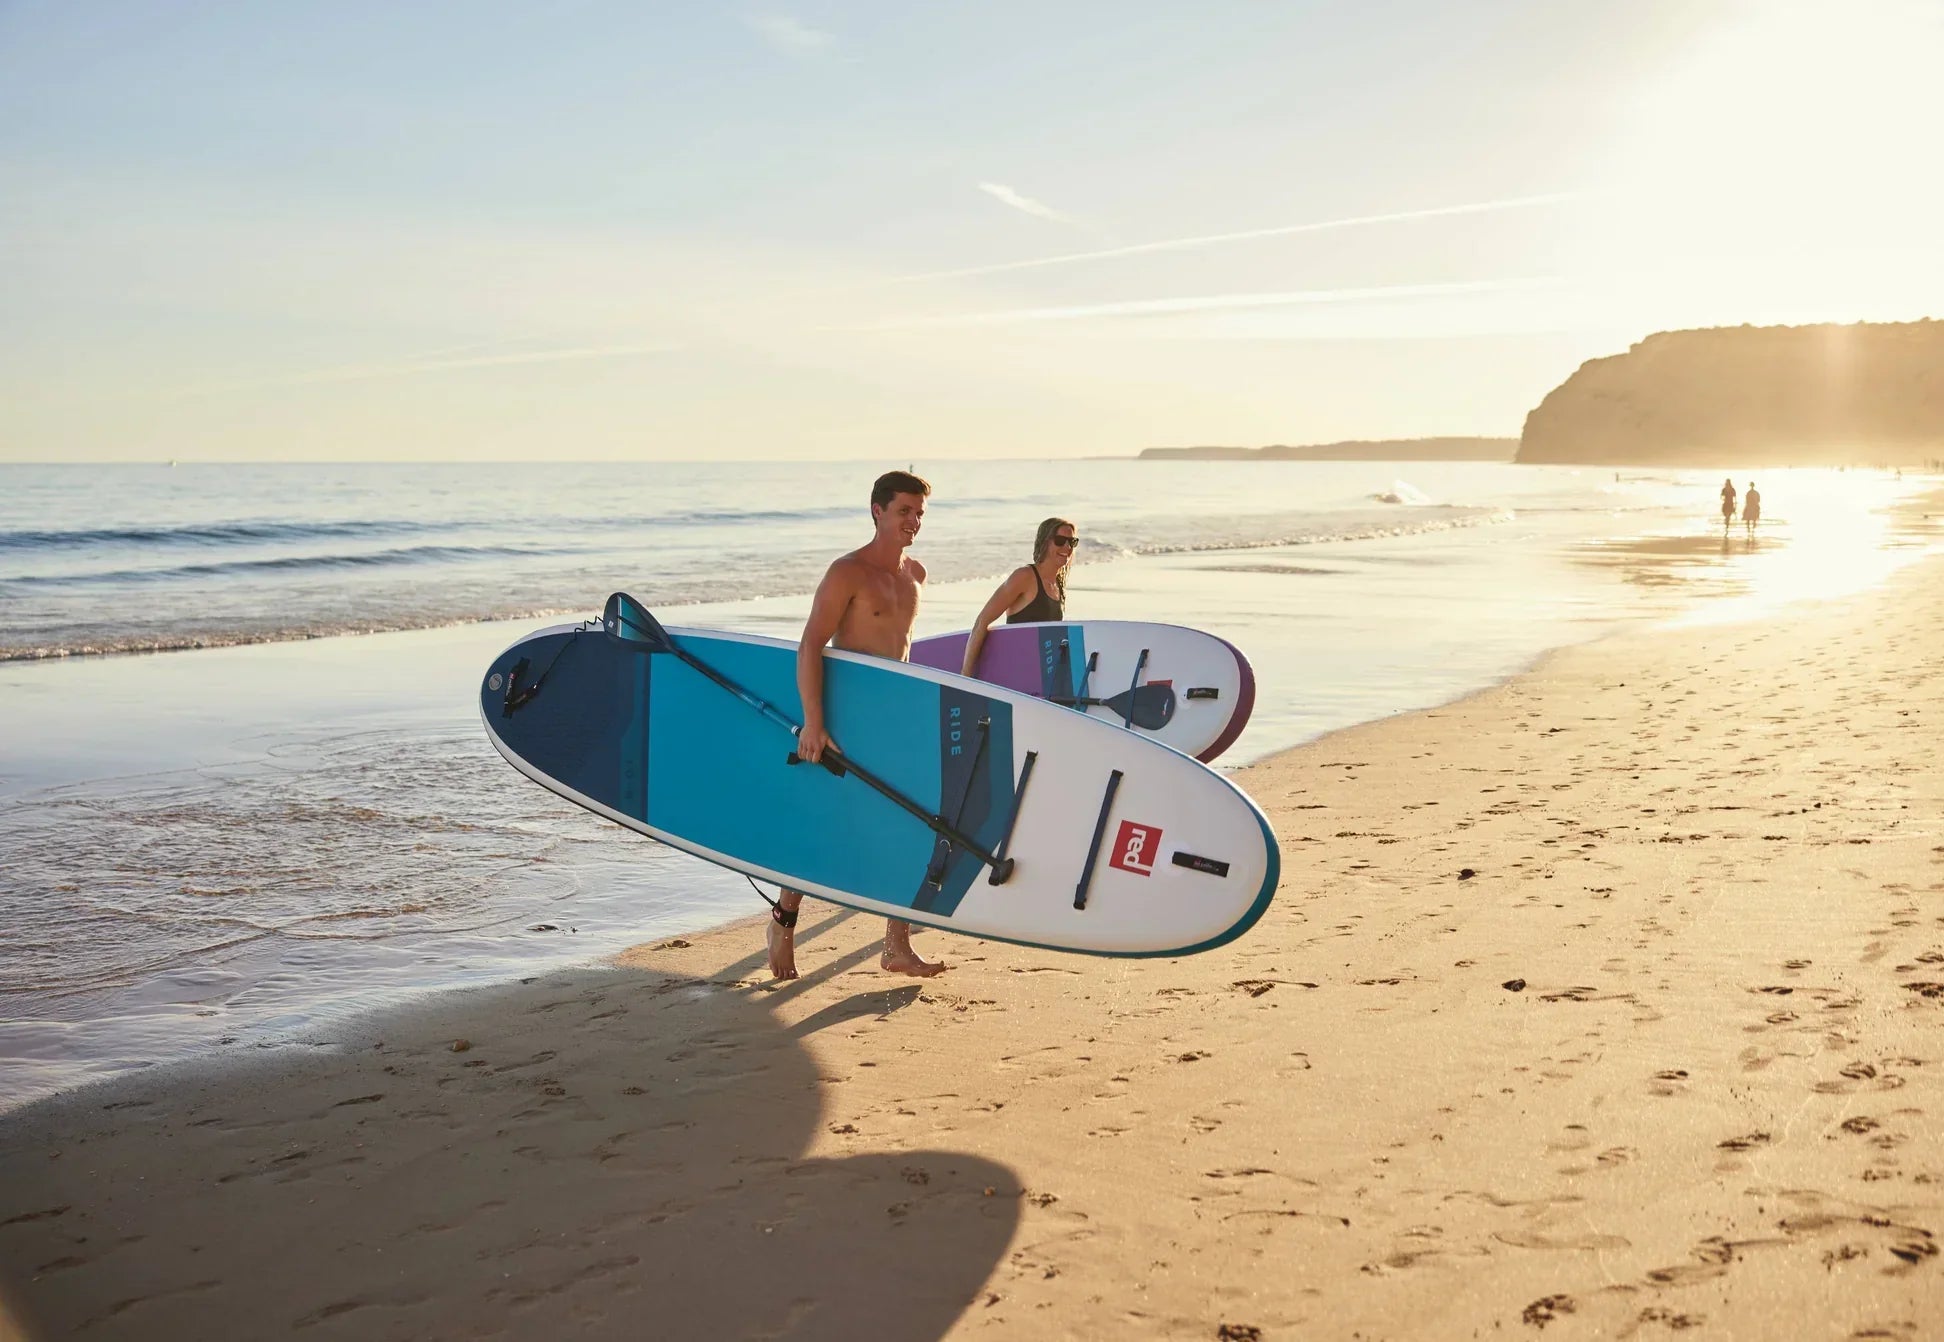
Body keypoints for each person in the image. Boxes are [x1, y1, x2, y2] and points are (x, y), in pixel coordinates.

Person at [765, 469, 946, 981]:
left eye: (919, 513)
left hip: (894, 717)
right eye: (904, 512)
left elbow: (903, 653)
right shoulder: (847, 572)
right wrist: (813, 723)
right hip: (847, 716)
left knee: (911, 822)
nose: (913, 522)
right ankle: (784, 920)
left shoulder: (917, 575)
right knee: (824, 821)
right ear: (877, 512)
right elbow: (810, 645)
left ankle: (896, 945)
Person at [960, 518, 1078, 677]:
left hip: (1040, 671)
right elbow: (983, 620)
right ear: (1045, 542)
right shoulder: (1024, 577)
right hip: (1016, 666)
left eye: (1072, 542)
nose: (1067, 547)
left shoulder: (1058, 585)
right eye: (1060, 541)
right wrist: (966, 675)